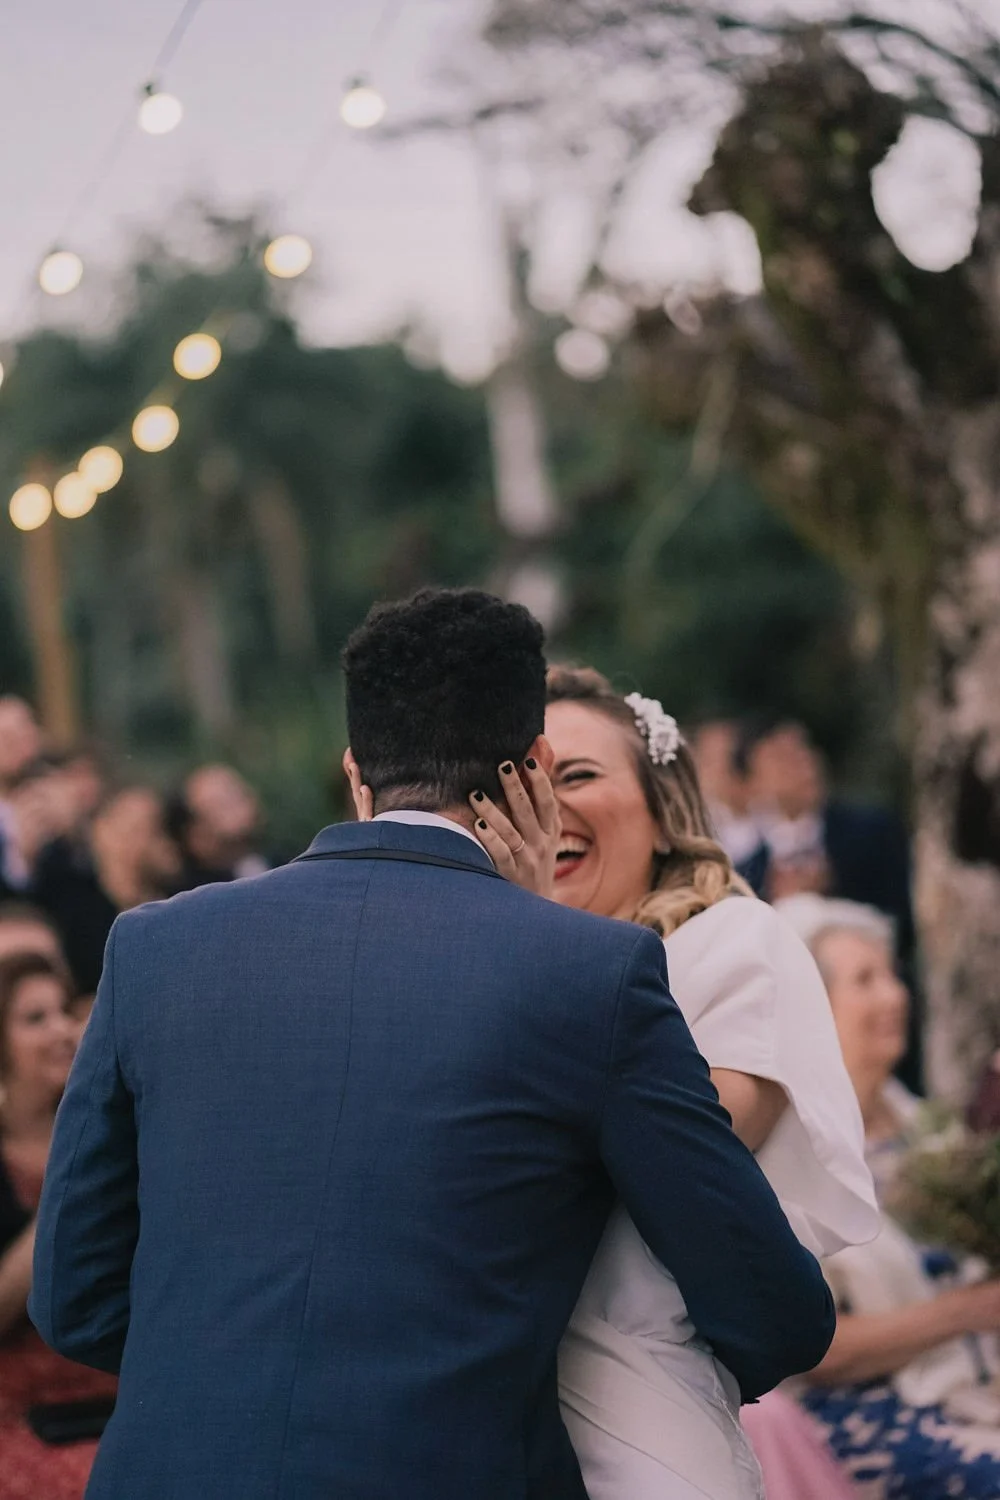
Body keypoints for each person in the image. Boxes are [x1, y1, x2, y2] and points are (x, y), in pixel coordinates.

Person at [31, 588, 834, 1500]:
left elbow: (73, 1296)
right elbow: (772, 1306)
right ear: (534, 766)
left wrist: (228, 1373)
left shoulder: (154, 946)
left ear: (355, 774)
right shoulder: (589, 972)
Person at [471, 666, 877, 1500]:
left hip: (634, 1404)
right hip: (479, 1402)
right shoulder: (472, 970)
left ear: (663, 812)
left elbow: (695, 1147)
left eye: (578, 775)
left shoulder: (733, 942)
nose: (546, 808)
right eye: (523, 782)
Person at [777, 894, 1000, 1499]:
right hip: (867, 1411)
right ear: (812, 1005)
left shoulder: (932, 1130)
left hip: (972, 1388)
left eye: (892, 974)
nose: (895, 996)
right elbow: (809, 1349)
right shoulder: (789, 1159)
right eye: (865, 980)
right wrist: (968, 1310)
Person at [735, 716, 921, 1087]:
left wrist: (828, 894)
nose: (801, 764)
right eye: (781, 758)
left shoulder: (872, 831)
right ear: (752, 783)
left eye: (804, 750)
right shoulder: (745, 874)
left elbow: (904, 924)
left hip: (881, 1029)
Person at [0, 953, 117, 1499]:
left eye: (65, 1012)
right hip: (23, 1412)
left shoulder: (111, 1137)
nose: (62, 1031)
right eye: (35, 1018)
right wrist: (67, 1182)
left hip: (115, 1400)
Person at [32, 786, 180, 998]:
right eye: (132, 828)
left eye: (151, 829)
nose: (138, 841)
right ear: (101, 830)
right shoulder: (71, 902)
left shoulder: (171, 903)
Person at [166, 764, 271, 889]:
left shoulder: (281, 864)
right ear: (194, 834)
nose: (240, 806)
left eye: (237, 793)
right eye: (221, 803)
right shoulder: (193, 893)